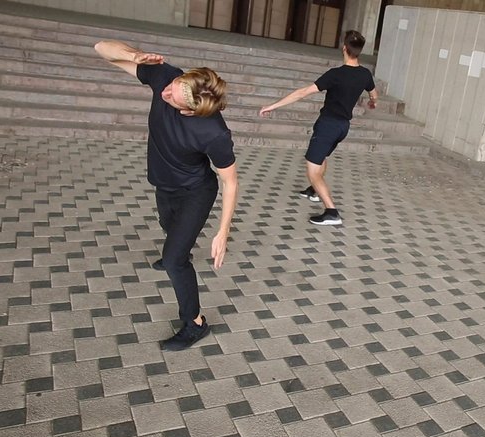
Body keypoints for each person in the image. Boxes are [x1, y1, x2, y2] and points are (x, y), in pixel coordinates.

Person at [94, 40, 238, 351]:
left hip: (196, 192)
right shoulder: (167, 79)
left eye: (175, 96)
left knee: (174, 261)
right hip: (165, 186)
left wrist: (223, 232)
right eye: (175, 84)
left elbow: (230, 182)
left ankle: (195, 322)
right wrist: (135, 55)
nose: (167, 92)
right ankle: (178, 249)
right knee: (170, 229)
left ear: (190, 110)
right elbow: (101, 49)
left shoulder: (214, 133)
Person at [259, 30, 378, 226]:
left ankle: (331, 212)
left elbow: (303, 93)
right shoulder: (365, 75)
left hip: (328, 126)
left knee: (313, 171)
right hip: (342, 128)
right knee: (321, 157)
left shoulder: (336, 75)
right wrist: (373, 103)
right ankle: (314, 191)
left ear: (344, 48)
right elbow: (374, 95)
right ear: (358, 51)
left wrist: (272, 106)